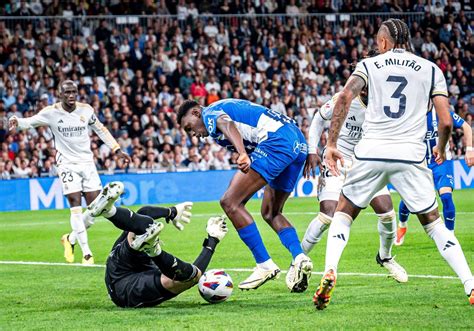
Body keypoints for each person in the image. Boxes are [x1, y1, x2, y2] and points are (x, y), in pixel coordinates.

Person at [312, 18, 474, 310]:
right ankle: (470, 284)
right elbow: (446, 121)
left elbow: (345, 97)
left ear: (384, 43)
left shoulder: (369, 65)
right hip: (410, 156)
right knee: (435, 225)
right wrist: (440, 147)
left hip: (370, 152)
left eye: (377, 41)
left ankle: (330, 270)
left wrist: (332, 144)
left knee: (343, 214)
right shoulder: (431, 69)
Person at [177, 98, 313, 292]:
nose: (193, 134)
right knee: (271, 212)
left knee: (229, 202)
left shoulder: (209, 112)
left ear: (197, 113)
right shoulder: (221, 115)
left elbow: (226, 123)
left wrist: (242, 153)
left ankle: (264, 264)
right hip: (296, 142)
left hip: (276, 141)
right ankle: (300, 257)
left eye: (190, 127)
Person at [8, 80, 131, 265]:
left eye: (74, 92)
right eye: (67, 92)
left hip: (87, 163)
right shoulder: (51, 112)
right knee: (75, 203)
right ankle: (87, 252)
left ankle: (70, 239)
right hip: (66, 164)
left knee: (96, 208)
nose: (71, 95)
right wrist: (17, 121)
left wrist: (116, 149)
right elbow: (30, 122)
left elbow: (101, 129)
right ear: (60, 94)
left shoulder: (86, 110)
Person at [302, 91, 407, 285]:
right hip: (337, 160)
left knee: (387, 213)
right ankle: (298, 260)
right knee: (328, 215)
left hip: (367, 163)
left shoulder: (385, 104)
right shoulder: (344, 97)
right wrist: (311, 150)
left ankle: (385, 256)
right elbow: (318, 118)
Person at [84, 181, 228, 308]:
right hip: (125, 292)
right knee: (189, 278)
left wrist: (171, 211)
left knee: (146, 224)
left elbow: (144, 211)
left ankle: (110, 212)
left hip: (116, 265)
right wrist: (212, 240)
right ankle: (154, 251)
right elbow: (195, 273)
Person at [396, 107, 474, 243]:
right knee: (408, 200)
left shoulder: (442, 113)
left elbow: (466, 127)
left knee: (446, 197)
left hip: (442, 163)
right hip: (419, 164)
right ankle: (402, 225)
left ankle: (450, 237)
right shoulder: (410, 114)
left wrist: (469, 149)